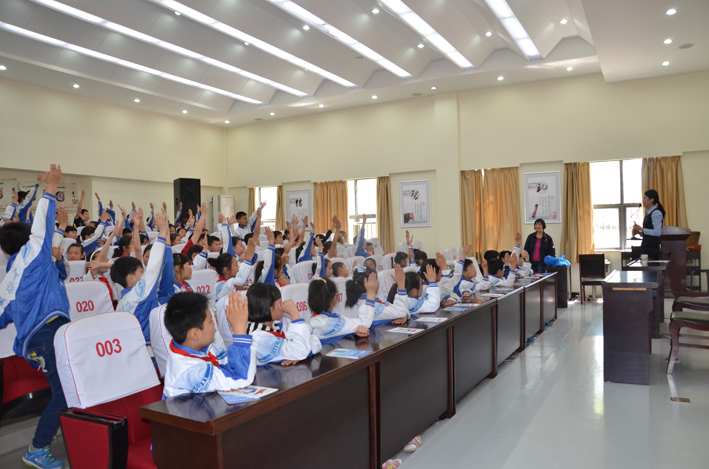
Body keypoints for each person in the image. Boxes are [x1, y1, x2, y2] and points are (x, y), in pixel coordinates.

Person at [0, 164, 70, 469]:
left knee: (66, 391)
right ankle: (37, 448)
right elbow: (41, 226)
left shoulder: (9, 278)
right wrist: (50, 188)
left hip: (37, 341)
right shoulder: (33, 255)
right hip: (48, 335)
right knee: (64, 394)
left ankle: (59, 435)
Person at [163, 290, 256, 398]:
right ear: (195, 334)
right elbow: (241, 379)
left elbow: (231, 364)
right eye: (210, 321)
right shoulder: (191, 371)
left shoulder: (201, 347)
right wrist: (239, 329)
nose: (213, 325)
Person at [632, 189, 665, 260]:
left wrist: (641, 229)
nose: (643, 200)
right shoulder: (648, 213)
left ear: (651, 200)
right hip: (646, 248)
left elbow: (657, 232)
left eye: (645, 198)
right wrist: (639, 232)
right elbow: (649, 232)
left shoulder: (656, 213)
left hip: (652, 250)